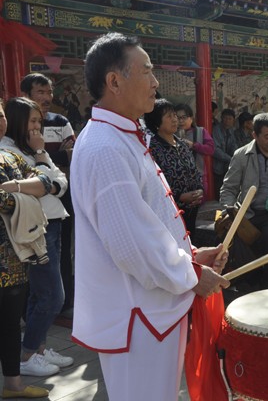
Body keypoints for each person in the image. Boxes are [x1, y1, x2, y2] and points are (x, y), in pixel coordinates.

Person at [71, 32, 229, 401]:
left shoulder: (122, 135)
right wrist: (190, 275)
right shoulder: (105, 146)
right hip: (137, 315)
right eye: (147, 71)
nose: (157, 83)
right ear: (114, 82)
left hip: (151, 305)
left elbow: (151, 220)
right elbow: (132, 243)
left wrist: (190, 257)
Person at [1, 97, 73, 377]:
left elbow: (60, 183)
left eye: (39, 122)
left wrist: (43, 165)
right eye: (32, 121)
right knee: (53, 296)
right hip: (34, 230)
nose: (36, 127)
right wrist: (43, 165)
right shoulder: (9, 151)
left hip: (52, 224)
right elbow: (44, 185)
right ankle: (29, 352)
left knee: (40, 295)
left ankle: (37, 349)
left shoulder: (33, 149)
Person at [0, 98, 52, 399]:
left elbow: (46, 181)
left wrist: (16, 189)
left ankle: (13, 383)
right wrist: (24, 192)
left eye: (1, 115)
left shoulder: (9, 157)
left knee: (9, 323)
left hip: (14, 255)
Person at [21, 73, 76, 316]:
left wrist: (45, 157)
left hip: (61, 195)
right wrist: (55, 159)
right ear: (27, 94)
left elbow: (73, 155)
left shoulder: (61, 121)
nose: (46, 97)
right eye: (40, 92)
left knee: (62, 248)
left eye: (49, 92)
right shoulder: (18, 126)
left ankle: (62, 302)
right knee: (33, 253)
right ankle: (35, 307)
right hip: (32, 200)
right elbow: (27, 162)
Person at [220, 112, 268, 290]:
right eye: (267, 136)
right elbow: (229, 188)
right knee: (244, 252)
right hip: (247, 212)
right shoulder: (241, 155)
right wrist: (229, 210)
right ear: (254, 135)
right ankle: (249, 287)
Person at [145, 99, 204, 237]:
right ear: (156, 122)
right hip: (171, 212)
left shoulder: (182, 144)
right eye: (169, 116)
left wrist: (199, 189)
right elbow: (155, 182)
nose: (175, 119)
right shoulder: (153, 148)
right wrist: (180, 197)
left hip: (192, 208)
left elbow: (194, 170)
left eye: (174, 115)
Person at [175, 103, 215, 201]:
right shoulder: (172, 133)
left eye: (183, 117)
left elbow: (211, 149)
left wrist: (194, 145)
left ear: (191, 118)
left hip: (199, 175)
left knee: (199, 204)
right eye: (177, 118)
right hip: (179, 179)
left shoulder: (200, 131)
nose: (180, 121)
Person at [212, 108, 237, 197]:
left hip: (227, 167)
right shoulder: (216, 130)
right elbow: (215, 150)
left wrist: (236, 157)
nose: (227, 121)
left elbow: (234, 146)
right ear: (222, 118)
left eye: (230, 119)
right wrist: (230, 159)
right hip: (217, 166)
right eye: (225, 118)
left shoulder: (231, 130)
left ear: (233, 120)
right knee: (218, 191)